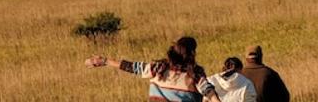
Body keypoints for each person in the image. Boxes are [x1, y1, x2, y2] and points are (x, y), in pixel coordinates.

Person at [85, 35, 220, 102]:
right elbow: (209, 92)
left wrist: (104, 61)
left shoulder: (159, 68)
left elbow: (133, 67)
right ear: (192, 53)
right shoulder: (195, 73)